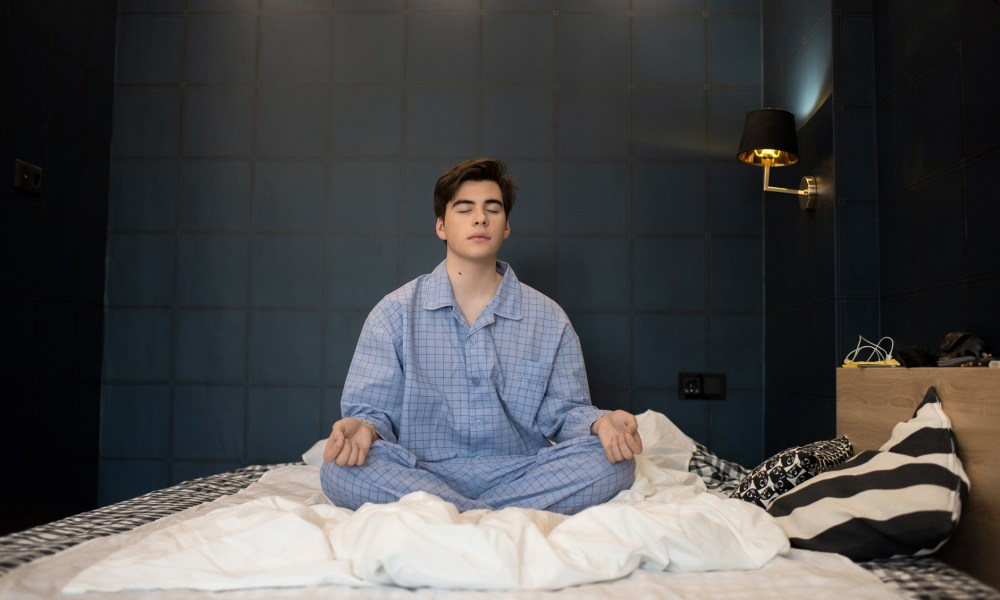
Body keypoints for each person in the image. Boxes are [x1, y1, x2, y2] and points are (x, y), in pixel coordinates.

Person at [320, 158, 642, 515]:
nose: (480, 218)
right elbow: (373, 412)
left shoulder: (549, 318)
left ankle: (450, 513)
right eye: (465, 209)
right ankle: (495, 514)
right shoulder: (394, 312)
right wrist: (361, 428)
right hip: (422, 472)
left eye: (493, 209)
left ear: (505, 227)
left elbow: (566, 414)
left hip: (521, 472)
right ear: (441, 226)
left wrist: (601, 423)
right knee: (338, 470)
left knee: (615, 462)